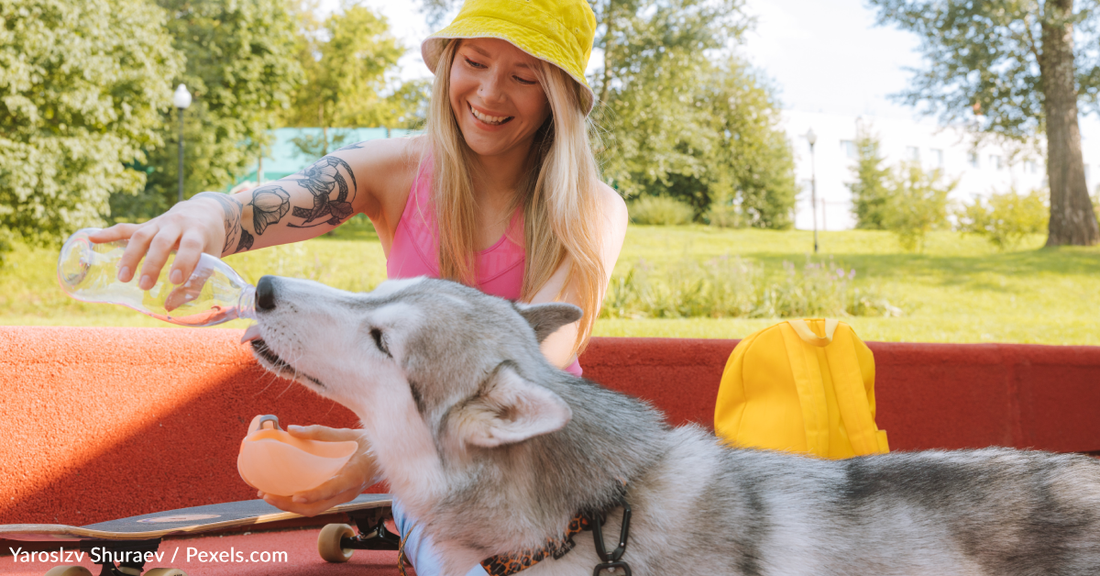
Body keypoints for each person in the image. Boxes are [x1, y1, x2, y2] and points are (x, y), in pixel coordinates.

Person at [92, 0, 626, 573]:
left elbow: (532, 363)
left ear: (556, 100)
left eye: (524, 77)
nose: (491, 93)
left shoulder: (592, 209)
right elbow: (275, 201)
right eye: (475, 61)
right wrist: (204, 215)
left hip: (555, 452)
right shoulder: (393, 169)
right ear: (448, 61)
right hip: (438, 476)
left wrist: (373, 452)